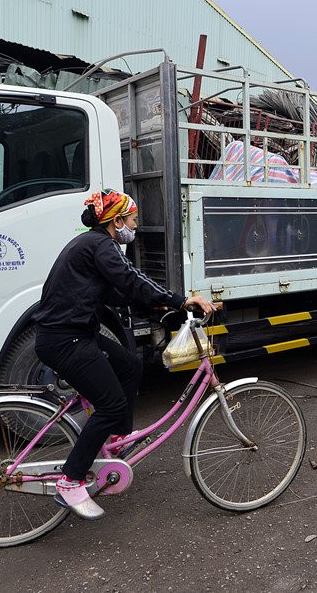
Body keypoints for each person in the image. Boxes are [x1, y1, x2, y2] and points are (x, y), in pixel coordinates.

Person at [33, 189, 214, 519]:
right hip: (65, 339)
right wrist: (180, 300)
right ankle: (70, 480)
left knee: (130, 364)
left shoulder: (93, 244)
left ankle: (118, 436)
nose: (136, 226)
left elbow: (117, 292)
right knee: (110, 402)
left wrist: (156, 303)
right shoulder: (101, 245)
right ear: (116, 222)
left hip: (74, 333)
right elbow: (131, 279)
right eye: (133, 220)